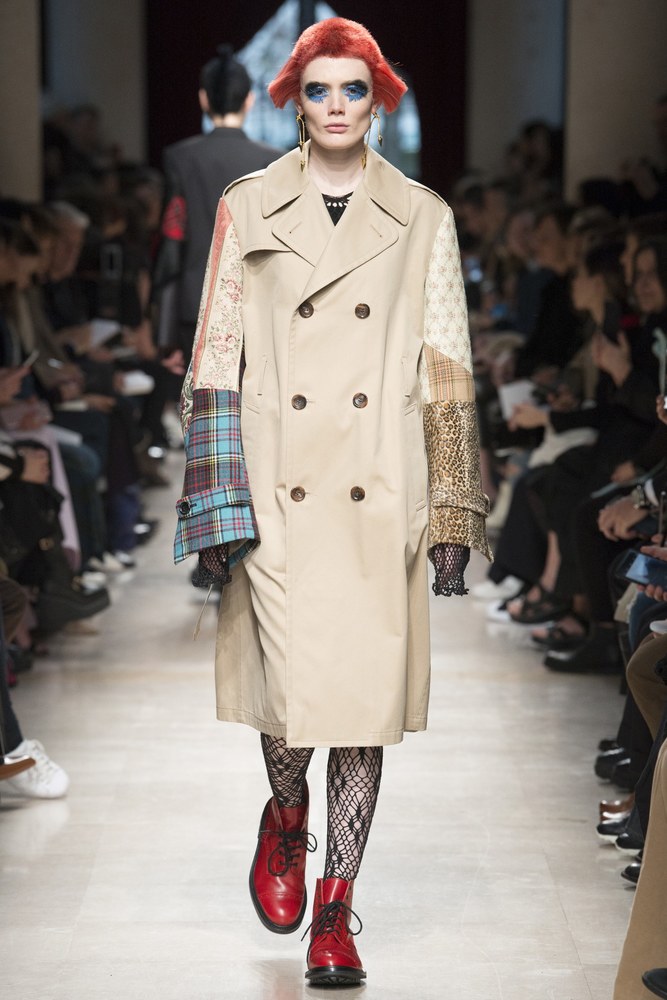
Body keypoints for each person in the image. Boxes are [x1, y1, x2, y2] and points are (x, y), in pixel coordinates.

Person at [174, 18, 490, 986]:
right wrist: (215, 497)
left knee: (359, 706)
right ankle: (286, 813)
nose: (338, 106)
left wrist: (451, 507)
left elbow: (446, 366)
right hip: (278, 481)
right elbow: (216, 352)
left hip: (376, 486)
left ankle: (335, 910)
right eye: (320, 90)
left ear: (379, 99)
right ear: (295, 102)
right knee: (287, 701)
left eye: (356, 89)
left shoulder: (422, 215)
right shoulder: (247, 204)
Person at [154, 44, 282, 363]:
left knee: (201, 393)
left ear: (204, 99)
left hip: (194, 304)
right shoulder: (272, 161)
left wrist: (164, 333)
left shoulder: (180, 158)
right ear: (249, 100)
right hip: (254, 305)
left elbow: (172, 238)